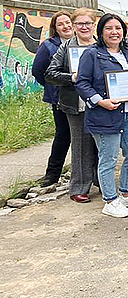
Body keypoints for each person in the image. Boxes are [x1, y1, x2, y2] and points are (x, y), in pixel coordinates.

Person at [75, 14, 128, 218]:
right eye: (109, 28)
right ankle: (110, 200)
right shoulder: (92, 54)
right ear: (101, 32)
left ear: (124, 31)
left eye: (118, 28)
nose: (114, 32)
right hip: (105, 115)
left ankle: (126, 192)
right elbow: (82, 83)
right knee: (108, 159)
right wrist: (100, 101)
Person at [45, 8, 98, 203]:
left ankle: (100, 180)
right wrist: (72, 77)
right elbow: (50, 73)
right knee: (80, 146)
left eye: (88, 23)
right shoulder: (66, 47)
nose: (84, 27)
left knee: (102, 145)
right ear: (74, 26)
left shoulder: (101, 46)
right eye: (80, 24)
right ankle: (79, 187)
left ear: (94, 25)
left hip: (101, 103)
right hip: (76, 104)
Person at [32, 11, 74, 187]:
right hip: (60, 99)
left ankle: (90, 174)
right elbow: (38, 71)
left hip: (85, 98)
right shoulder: (49, 46)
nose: (65, 26)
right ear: (55, 29)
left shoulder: (87, 42)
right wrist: (54, 86)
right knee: (63, 135)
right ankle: (52, 174)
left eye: (68, 22)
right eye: (60, 24)